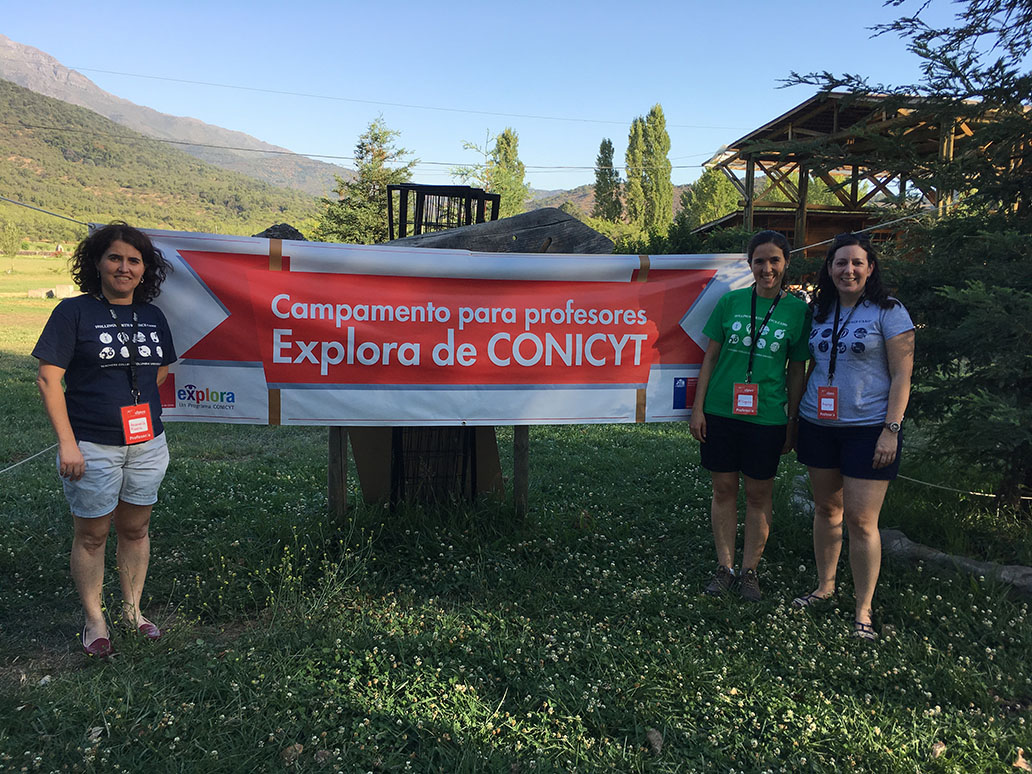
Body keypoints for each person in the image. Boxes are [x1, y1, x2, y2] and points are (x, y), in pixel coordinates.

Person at [33, 222, 176, 657]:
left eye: (134, 260)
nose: (124, 267)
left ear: (144, 270)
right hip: (92, 445)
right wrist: (67, 443)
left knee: (136, 529)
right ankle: (95, 618)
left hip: (148, 442)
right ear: (97, 262)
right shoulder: (73, 313)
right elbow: (47, 379)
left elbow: (160, 373)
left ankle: (133, 611)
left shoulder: (152, 316)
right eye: (115, 257)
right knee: (92, 534)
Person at [792, 232, 915, 641]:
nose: (848, 270)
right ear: (829, 269)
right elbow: (812, 365)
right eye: (840, 263)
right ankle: (825, 587)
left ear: (870, 267)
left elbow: (902, 375)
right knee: (827, 511)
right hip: (818, 424)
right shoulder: (820, 310)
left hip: (868, 429)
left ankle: (863, 608)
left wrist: (890, 430)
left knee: (862, 522)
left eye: (856, 262)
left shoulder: (889, 311)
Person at [690, 231, 811, 601]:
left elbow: (796, 369)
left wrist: (792, 421)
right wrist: (698, 408)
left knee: (759, 495)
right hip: (721, 412)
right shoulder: (730, 303)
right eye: (759, 260)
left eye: (774, 260)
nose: (767, 268)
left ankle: (749, 572)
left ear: (786, 263)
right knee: (723, 489)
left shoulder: (797, 311)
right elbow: (709, 356)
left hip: (768, 418)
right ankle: (724, 568)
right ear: (750, 264)